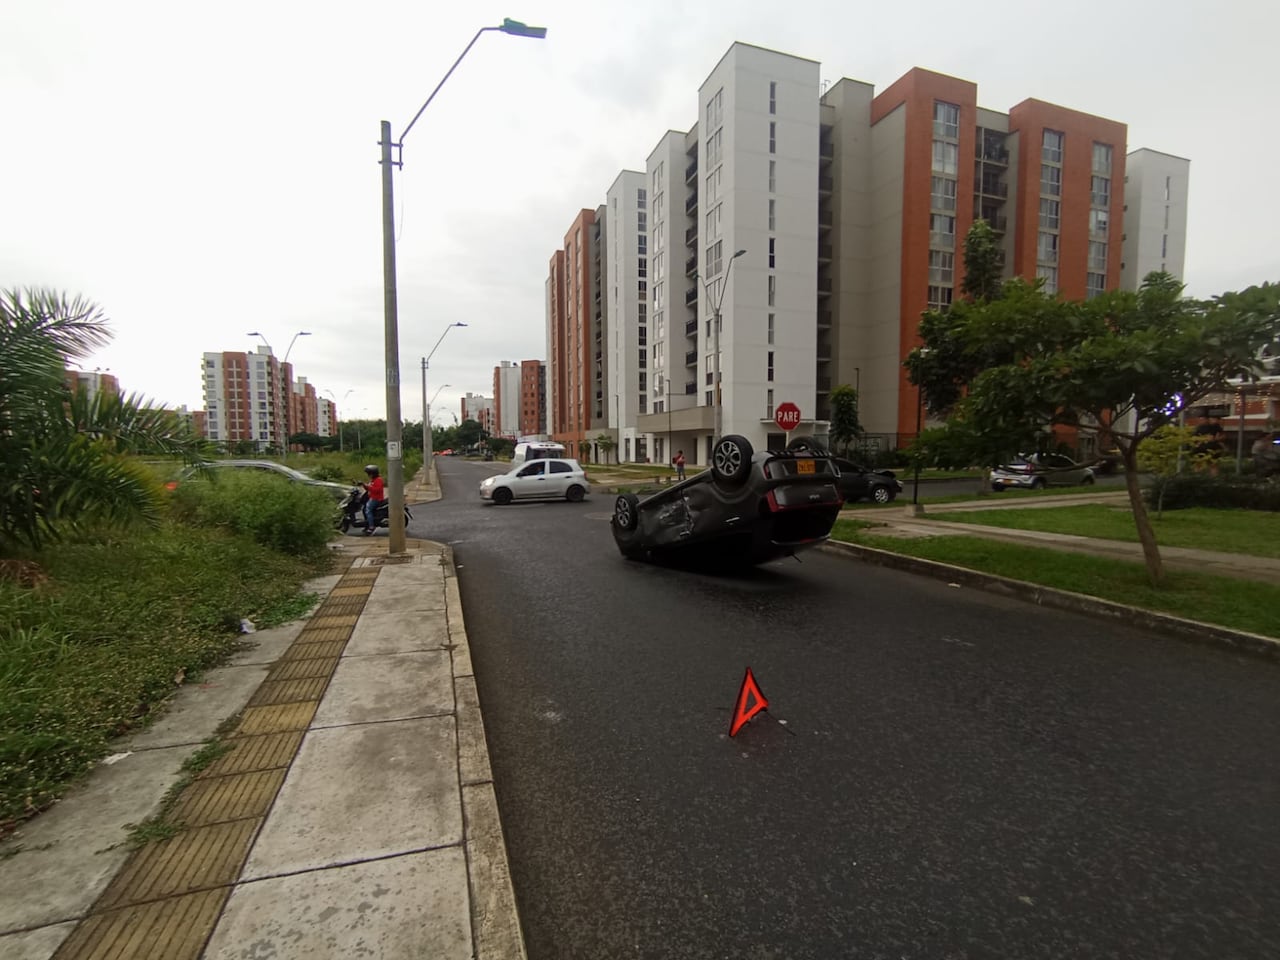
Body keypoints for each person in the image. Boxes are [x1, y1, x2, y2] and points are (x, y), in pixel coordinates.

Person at [361, 464, 385, 535]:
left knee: (368, 510)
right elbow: (369, 488)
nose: (369, 475)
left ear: (373, 473)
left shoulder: (378, 480)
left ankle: (371, 526)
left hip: (376, 498)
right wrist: (364, 485)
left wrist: (368, 487)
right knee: (364, 508)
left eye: (369, 474)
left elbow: (377, 490)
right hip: (372, 497)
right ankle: (367, 523)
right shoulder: (373, 480)